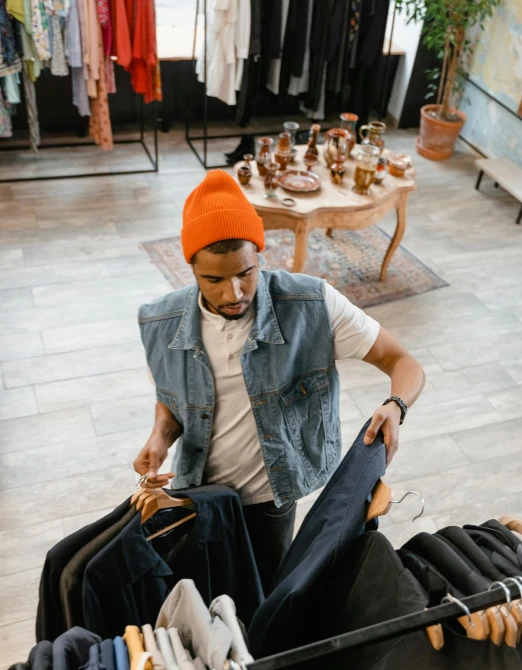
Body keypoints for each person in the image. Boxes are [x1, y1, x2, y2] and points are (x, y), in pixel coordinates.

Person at [134, 170, 425, 592]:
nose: (233, 292)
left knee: (267, 593)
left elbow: (402, 361)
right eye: (213, 280)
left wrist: (396, 405)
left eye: (245, 273)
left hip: (270, 494)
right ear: (191, 267)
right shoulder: (160, 324)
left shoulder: (312, 304)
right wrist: (160, 438)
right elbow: (173, 402)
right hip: (195, 493)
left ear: (259, 254)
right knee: (201, 592)